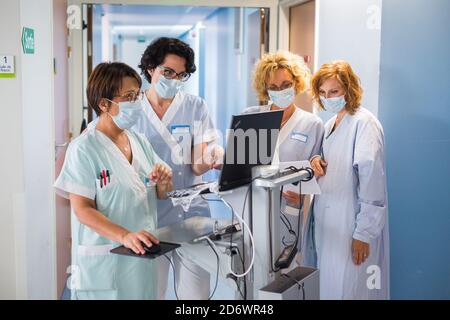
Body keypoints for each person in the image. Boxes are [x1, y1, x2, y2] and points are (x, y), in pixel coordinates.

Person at [54, 62, 173, 299]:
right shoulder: (84, 149)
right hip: (106, 261)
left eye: (137, 95)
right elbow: (83, 210)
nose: (137, 102)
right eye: (128, 97)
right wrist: (124, 236)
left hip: (140, 257)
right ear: (104, 104)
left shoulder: (138, 141)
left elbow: (162, 192)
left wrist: (164, 180)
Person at [136, 37, 223, 300]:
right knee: (153, 292)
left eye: (181, 75)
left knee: (195, 297)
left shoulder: (195, 106)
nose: (174, 79)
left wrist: (212, 155)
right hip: (147, 216)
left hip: (190, 214)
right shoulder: (132, 109)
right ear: (151, 68)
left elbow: (197, 166)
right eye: (168, 72)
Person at [304, 60, 389, 299]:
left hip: (350, 224)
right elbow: (333, 162)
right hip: (328, 224)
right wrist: (316, 161)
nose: (328, 97)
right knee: (330, 288)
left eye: (334, 91)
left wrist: (364, 233)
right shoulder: (331, 124)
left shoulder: (364, 123)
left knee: (350, 289)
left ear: (349, 89)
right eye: (322, 92)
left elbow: (372, 182)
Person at [243, 51, 324, 261]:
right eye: (274, 87)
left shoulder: (311, 124)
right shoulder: (251, 117)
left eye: (286, 84)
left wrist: (303, 195)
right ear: (265, 89)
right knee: (250, 269)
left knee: (284, 272)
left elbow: (314, 171)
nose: (281, 91)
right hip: (253, 206)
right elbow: (238, 165)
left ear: (296, 83)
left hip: (289, 208)